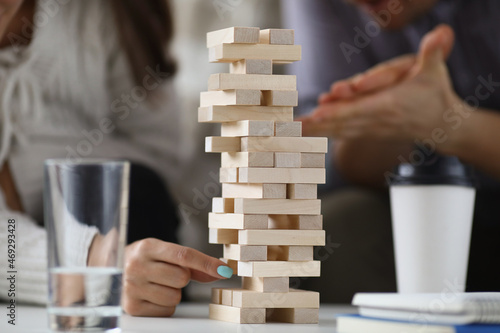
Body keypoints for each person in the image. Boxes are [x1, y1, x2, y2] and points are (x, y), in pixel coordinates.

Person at [0, 0, 233, 317]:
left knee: (138, 192)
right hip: (38, 255)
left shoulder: (102, 15)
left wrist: (23, 172)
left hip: (114, 225)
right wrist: (97, 266)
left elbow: (160, 154)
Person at [283, 0, 500, 302]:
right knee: (340, 223)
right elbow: (321, 160)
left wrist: (457, 128)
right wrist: (378, 123)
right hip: (404, 204)